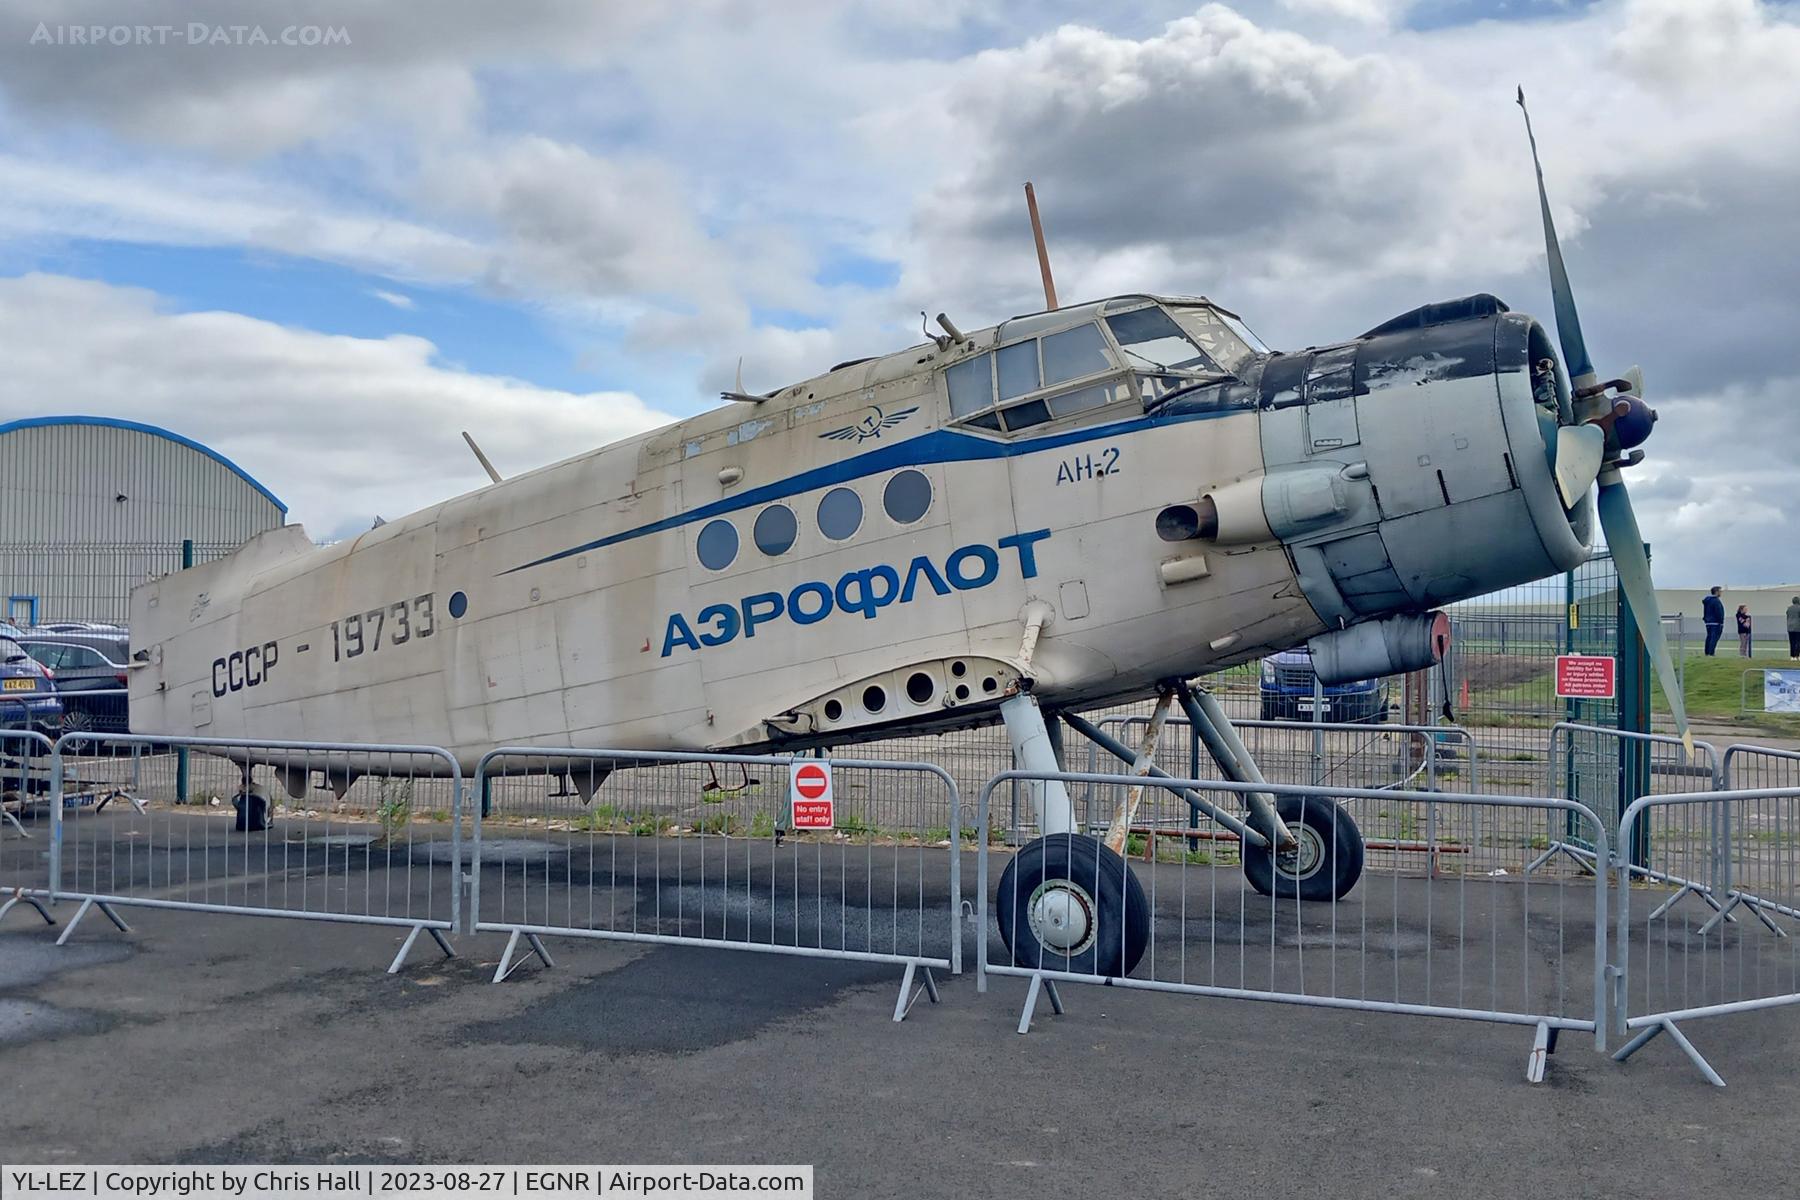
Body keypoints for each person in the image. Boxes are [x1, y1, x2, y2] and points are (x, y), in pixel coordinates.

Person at [1703, 586, 1725, 656]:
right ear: (1716, 592)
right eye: (1720, 591)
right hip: (1716, 623)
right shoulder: (1716, 601)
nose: (1721, 593)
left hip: (1708, 622)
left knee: (1709, 637)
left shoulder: (1708, 601)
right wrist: (1721, 621)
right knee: (1714, 638)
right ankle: (1711, 652)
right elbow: (1718, 612)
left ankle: (1707, 652)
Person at [1787, 595, 1800, 660]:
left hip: (1790, 627)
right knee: (1798, 642)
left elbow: (1788, 617)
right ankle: (1797, 655)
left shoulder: (1789, 608)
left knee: (1792, 642)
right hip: (1798, 628)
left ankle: (1792, 656)